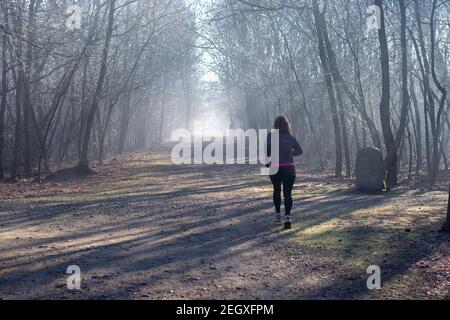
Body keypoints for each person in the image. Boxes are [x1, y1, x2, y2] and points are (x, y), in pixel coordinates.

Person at [266, 116, 303, 229]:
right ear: (287, 125)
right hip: (289, 168)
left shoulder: (271, 136)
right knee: (288, 193)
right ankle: (287, 217)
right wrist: (289, 154)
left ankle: (277, 215)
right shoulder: (291, 137)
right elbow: (300, 151)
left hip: (275, 167)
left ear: (275, 125)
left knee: (276, 190)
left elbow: (267, 152)